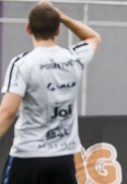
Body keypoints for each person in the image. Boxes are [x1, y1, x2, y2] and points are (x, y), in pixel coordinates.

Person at [0, 0, 101, 183]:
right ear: (58, 30)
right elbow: (93, 38)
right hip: (63, 157)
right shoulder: (74, 58)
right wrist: (61, 17)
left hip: (27, 155)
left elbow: (8, 112)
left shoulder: (23, 64)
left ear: (28, 29)